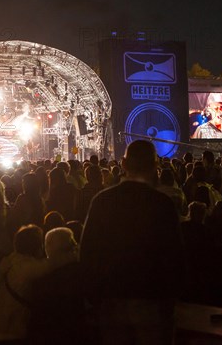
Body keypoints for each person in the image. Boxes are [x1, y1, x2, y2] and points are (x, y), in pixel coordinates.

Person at [80, 140, 186, 345]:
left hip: (111, 300)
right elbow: (175, 256)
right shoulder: (163, 204)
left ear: (124, 164)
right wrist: (172, 298)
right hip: (152, 301)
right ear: (155, 166)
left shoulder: (102, 201)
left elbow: (87, 253)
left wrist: (94, 296)